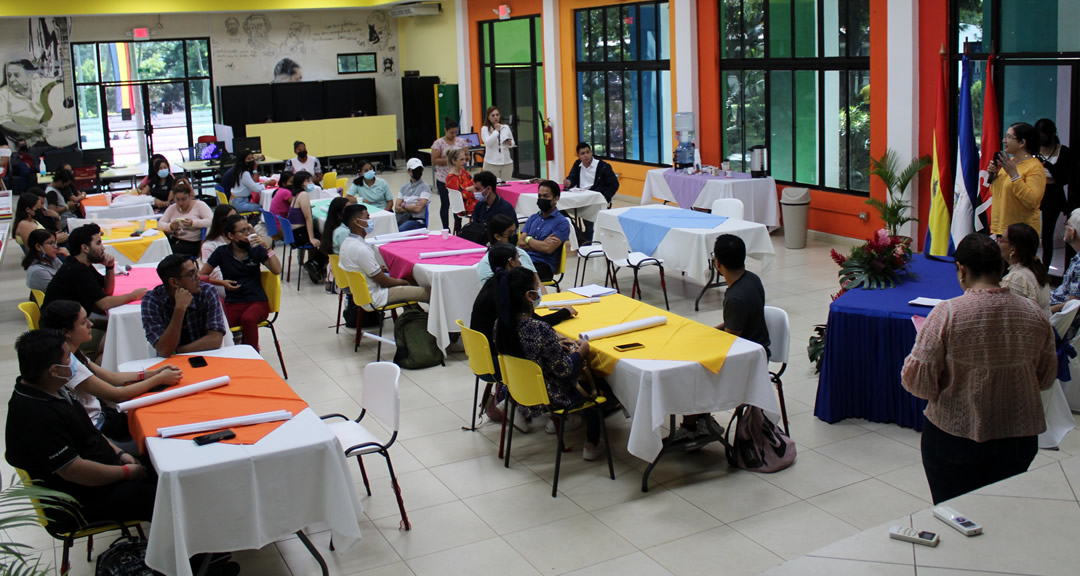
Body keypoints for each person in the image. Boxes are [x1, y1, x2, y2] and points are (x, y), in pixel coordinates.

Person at [902, 233, 1057, 504]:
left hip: (953, 438)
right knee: (1002, 513)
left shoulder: (947, 314)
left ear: (961, 269)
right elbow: (1045, 378)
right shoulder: (1034, 314)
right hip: (1018, 438)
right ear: (1001, 267)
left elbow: (918, 383)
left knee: (956, 516)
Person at [5, 330, 157, 533]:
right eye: (68, 357)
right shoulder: (35, 414)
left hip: (103, 468)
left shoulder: (53, 387)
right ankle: (183, 557)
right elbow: (73, 471)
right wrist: (125, 473)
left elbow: (89, 430)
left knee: (161, 467)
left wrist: (120, 454)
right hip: (78, 500)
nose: (73, 362)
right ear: (53, 370)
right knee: (161, 495)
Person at [40, 300, 182, 448]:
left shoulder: (72, 352)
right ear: (66, 333)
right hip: (99, 430)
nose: (91, 324)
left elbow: (112, 377)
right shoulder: (67, 364)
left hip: (105, 415)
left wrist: (151, 374)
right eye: (83, 323)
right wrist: (159, 379)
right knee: (160, 436)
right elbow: (117, 395)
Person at [493, 266, 603, 456]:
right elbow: (564, 370)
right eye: (537, 289)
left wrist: (556, 344)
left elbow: (530, 353)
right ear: (529, 296)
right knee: (599, 388)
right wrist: (581, 351)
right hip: (549, 395)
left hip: (519, 390)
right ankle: (592, 445)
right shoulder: (540, 329)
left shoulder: (500, 325)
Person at [676, 234, 771, 441]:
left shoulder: (736, 297)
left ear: (717, 263)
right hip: (756, 346)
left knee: (691, 368)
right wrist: (710, 332)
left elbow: (730, 340)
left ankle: (693, 425)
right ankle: (700, 419)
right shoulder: (751, 279)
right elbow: (734, 326)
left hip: (748, 358)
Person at [199, 214, 282, 352]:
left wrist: (267, 248)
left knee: (248, 319)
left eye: (249, 229)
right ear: (231, 236)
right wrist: (221, 282)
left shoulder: (256, 250)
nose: (248, 234)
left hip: (257, 301)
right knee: (217, 326)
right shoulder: (221, 252)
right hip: (234, 302)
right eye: (243, 231)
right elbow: (202, 275)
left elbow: (277, 270)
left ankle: (252, 355)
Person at [44, 223, 148, 329]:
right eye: (98, 243)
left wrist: (110, 267)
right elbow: (104, 304)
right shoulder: (77, 270)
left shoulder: (82, 265)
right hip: (62, 332)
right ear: (85, 248)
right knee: (118, 332)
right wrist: (133, 296)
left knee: (120, 327)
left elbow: (107, 292)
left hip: (73, 323)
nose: (103, 248)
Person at [340, 204, 430, 307]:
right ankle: (439, 321)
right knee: (430, 293)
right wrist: (403, 282)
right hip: (377, 296)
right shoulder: (361, 249)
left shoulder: (346, 243)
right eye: (367, 217)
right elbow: (384, 281)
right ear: (356, 222)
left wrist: (378, 270)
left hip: (364, 294)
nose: (370, 220)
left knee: (408, 280)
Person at [142, 254, 228, 357]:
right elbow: (164, 349)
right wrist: (179, 310)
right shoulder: (152, 301)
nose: (198, 277)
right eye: (191, 274)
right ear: (174, 282)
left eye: (196, 271)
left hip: (206, 355)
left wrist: (178, 352)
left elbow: (215, 339)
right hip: (168, 365)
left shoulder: (207, 292)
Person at [987, 122, 1047, 236]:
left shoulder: (1034, 167)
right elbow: (998, 193)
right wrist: (994, 177)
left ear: (1022, 143)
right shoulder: (1009, 163)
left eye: (1009, 137)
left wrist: (1014, 175)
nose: (1004, 141)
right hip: (1001, 228)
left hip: (1021, 233)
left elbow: (1032, 201)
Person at [1035, 118, 1077, 269]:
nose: (1041, 139)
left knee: (1047, 232)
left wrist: (1047, 165)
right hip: (1035, 190)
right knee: (1031, 230)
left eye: (1043, 136)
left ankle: (1045, 267)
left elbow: (1064, 177)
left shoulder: (1063, 151)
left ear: (1050, 134)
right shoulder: (1034, 150)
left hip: (1053, 193)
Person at [563, 142, 619, 242]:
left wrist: (604, 197)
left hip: (596, 200)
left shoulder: (603, 166)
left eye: (588, 152)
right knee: (560, 208)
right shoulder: (577, 165)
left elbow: (614, 184)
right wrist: (569, 182)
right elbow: (572, 178)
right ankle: (579, 235)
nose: (586, 155)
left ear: (591, 152)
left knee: (589, 218)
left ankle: (587, 239)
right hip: (581, 198)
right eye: (583, 153)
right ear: (578, 156)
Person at [518, 180, 570, 280]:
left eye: (546, 196)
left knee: (515, 278)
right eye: (540, 196)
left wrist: (528, 239)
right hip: (525, 260)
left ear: (556, 199)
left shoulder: (561, 222)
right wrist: (540, 244)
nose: (541, 199)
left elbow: (547, 249)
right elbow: (521, 243)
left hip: (543, 266)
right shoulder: (533, 218)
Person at [284, 170, 328, 283]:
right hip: (300, 234)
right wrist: (311, 238)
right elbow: (308, 218)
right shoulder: (303, 195)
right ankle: (315, 263)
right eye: (308, 180)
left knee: (324, 236)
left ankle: (316, 263)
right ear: (301, 183)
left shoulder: (296, 195)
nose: (311, 182)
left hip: (294, 233)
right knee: (328, 239)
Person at [999, 223, 1051, 317]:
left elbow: (1010, 318)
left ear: (1013, 249)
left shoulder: (1016, 279)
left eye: (1001, 239)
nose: (998, 241)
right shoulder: (1037, 270)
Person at [430, 119, 469, 229]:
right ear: (445, 130)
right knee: (445, 204)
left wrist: (462, 159)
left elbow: (467, 156)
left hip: (458, 179)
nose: (453, 135)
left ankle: (458, 227)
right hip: (443, 179)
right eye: (451, 132)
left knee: (458, 204)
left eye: (455, 132)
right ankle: (445, 228)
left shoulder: (461, 142)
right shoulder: (438, 143)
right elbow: (434, 160)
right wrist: (451, 160)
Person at [159, 179, 213, 258]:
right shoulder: (172, 208)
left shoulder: (200, 205)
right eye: (177, 199)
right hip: (175, 239)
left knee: (168, 252)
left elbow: (211, 221)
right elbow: (160, 224)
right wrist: (170, 226)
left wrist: (193, 223)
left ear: (190, 196)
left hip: (192, 243)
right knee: (160, 248)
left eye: (184, 199)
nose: (180, 203)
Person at [478, 213, 535, 284]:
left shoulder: (521, 252)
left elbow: (537, 281)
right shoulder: (486, 263)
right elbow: (494, 291)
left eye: (515, 232)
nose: (514, 235)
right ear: (498, 236)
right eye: (510, 233)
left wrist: (543, 295)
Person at [201, 204, 238, 298]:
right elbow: (214, 274)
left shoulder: (240, 238)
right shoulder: (209, 245)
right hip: (223, 283)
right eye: (231, 219)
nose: (235, 222)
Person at [1051, 209, 1080, 313]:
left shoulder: (1079, 266)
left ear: (1073, 232)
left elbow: (1074, 304)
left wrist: (1044, 311)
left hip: (1059, 317)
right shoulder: (1077, 258)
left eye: (1066, 224)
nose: (1065, 227)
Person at [395, 158, 432, 232]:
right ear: (408, 171)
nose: (418, 172)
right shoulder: (403, 187)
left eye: (420, 169)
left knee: (401, 230)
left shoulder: (425, 187)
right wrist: (412, 208)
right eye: (415, 170)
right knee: (389, 228)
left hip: (417, 220)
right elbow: (396, 208)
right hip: (403, 217)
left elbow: (418, 209)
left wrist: (404, 205)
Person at [480, 106, 515, 181]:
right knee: (490, 185)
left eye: (497, 115)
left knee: (506, 185)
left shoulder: (505, 127)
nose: (495, 117)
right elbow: (488, 143)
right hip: (491, 162)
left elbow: (513, 143)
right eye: (493, 115)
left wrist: (509, 143)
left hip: (506, 162)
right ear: (488, 117)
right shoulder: (485, 129)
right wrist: (496, 131)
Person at [229, 150, 268, 214]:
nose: (252, 160)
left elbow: (253, 183)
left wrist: (255, 169)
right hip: (239, 203)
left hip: (236, 201)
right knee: (264, 208)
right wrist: (265, 184)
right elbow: (256, 189)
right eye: (249, 159)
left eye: (252, 158)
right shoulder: (245, 173)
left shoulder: (239, 171)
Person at [446, 148, 478, 219]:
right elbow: (463, 195)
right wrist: (470, 189)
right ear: (453, 161)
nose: (464, 162)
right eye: (461, 160)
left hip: (471, 200)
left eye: (465, 159)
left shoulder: (463, 172)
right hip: (464, 206)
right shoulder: (452, 178)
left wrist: (472, 188)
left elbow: (474, 183)